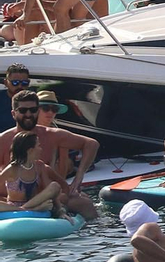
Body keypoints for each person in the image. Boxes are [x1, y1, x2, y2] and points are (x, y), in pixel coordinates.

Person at [0, 90, 98, 219]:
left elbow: (91, 144)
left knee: (83, 202)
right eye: (23, 111)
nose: (28, 114)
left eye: (33, 110)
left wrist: (78, 178)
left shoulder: (51, 135)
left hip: (46, 198)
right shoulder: (3, 140)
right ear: (14, 113)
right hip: (10, 201)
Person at [1, 132, 62, 214]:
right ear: (30, 150)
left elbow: (50, 190)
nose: (41, 149)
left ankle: (26, 208)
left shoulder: (39, 166)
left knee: (55, 186)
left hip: (33, 203)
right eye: (39, 146)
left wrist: (60, 210)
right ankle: (26, 209)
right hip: (14, 208)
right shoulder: (12, 169)